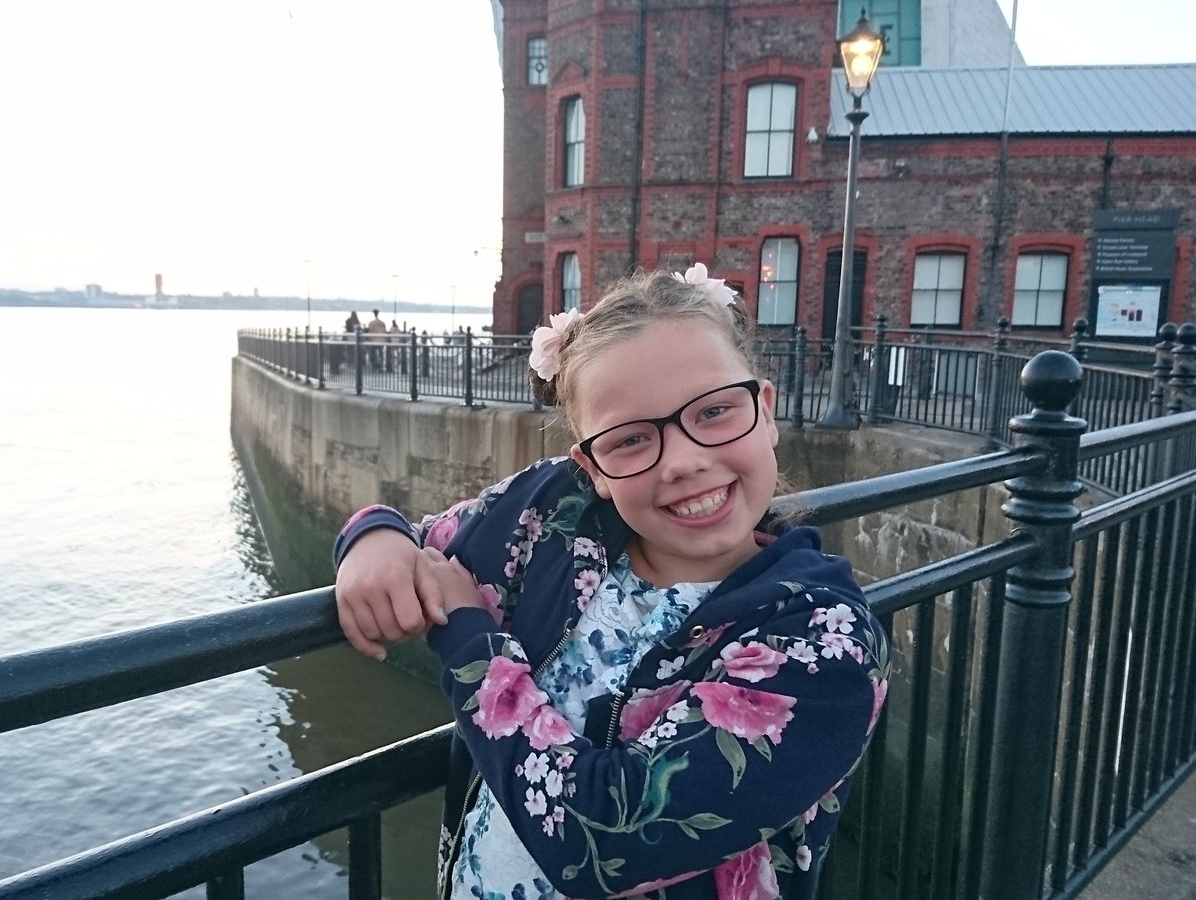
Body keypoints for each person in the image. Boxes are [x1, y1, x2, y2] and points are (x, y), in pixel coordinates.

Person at [333, 264, 889, 898]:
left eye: (714, 411)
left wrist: (470, 646)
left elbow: (606, 841)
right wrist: (372, 537)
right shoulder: (552, 515)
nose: (682, 462)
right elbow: (420, 541)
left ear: (764, 410)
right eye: (629, 441)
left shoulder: (826, 643)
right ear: (591, 466)